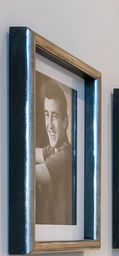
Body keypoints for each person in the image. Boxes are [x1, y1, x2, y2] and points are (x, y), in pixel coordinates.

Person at [35, 73, 72, 224]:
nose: (49, 125)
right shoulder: (54, 150)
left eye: (55, 116)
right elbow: (30, 153)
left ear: (65, 121)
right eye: (46, 115)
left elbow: (25, 174)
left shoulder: (64, 156)